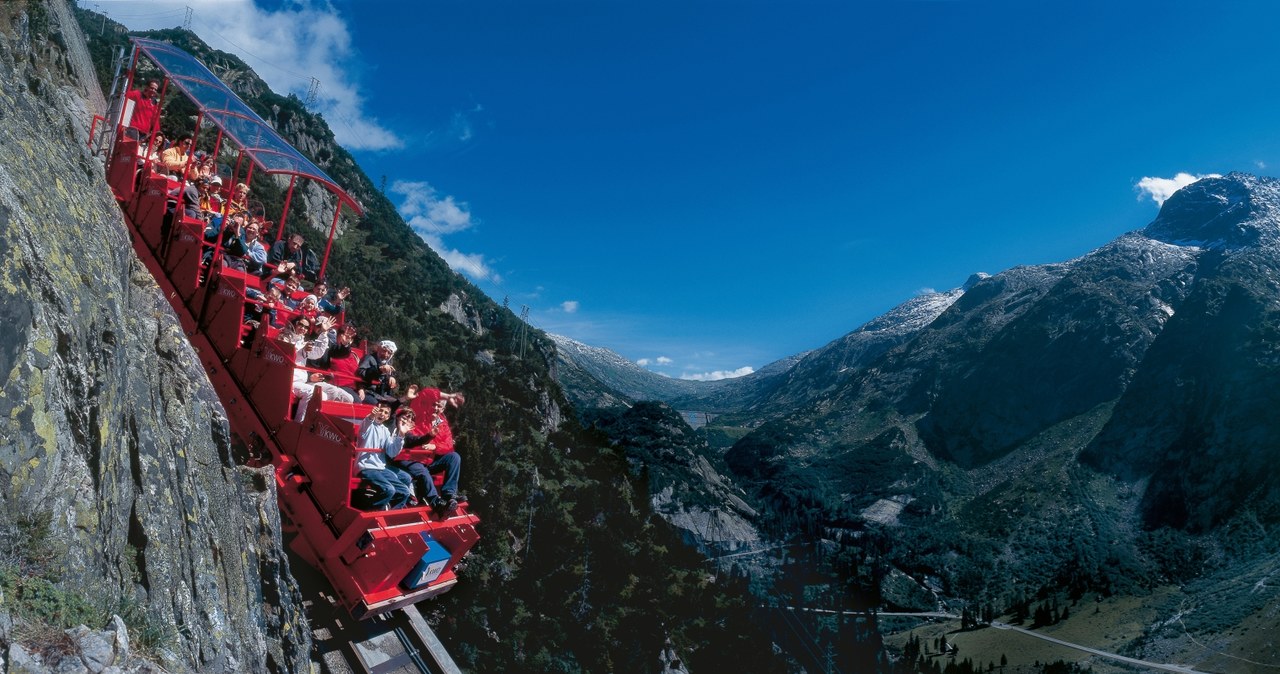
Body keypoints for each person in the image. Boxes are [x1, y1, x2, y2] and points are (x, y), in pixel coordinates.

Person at [398, 389, 465, 514]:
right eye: (433, 404)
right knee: (423, 472)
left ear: (442, 410)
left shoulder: (441, 422)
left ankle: (449, 495)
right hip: (410, 458)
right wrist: (448, 395)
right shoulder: (419, 413)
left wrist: (435, 446)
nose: (435, 408)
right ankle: (435, 503)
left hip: (427, 461)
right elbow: (425, 393)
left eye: (439, 406)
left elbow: (449, 445)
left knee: (454, 457)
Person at [277, 314, 353, 421]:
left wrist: (326, 334)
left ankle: (317, 423)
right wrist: (319, 333)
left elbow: (318, 353)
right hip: (289, 379)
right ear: (295, 324)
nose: (303, 328)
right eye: (301, 325)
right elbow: (288, 352)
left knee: (330, 396)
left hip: (301, 380)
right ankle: (299, 423)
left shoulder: (304, 340)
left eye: (306, 327)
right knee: (314, 393)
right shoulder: (285, 336)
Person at [354, 402, 416, 510]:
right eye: (381, 410)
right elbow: (366, 425)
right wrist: (371, 416)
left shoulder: (385, 431)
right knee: (389, 489)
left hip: (380, 468)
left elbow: (392, 452)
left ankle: (391, 516)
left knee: (404, 492)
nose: (382, 414)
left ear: (387, 417)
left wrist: (401, 435)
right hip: (367, 467)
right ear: (376, 411)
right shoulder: (368, 425)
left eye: (386, 413)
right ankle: (372, 511)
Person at [355, 340, 400, 404]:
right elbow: (360, 373)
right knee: (380, 405)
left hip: (380, 394)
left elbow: (386, 377)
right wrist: (379, 369)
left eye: (389, 353)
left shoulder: (388, 363)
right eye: (384, 351)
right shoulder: (369, 358)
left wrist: (391, 378)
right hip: (367, 391)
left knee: (397, 405)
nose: (385, 354)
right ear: (378, 349)